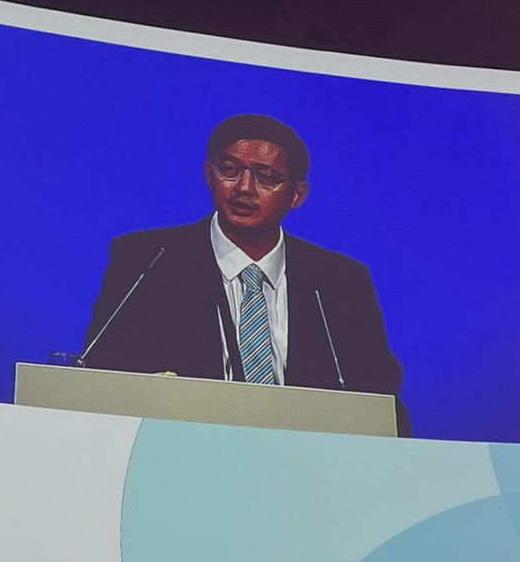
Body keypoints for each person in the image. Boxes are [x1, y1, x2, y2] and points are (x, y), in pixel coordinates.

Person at [82, 114, 407, 432]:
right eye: (229, 170)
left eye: (266, 176)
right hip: (180, 447)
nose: (244, 188)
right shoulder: (146, 262)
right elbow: (100, 377)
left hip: (306, 455)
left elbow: (382, 404)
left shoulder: (340, 282)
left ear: (297, 195)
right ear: (208, 175)